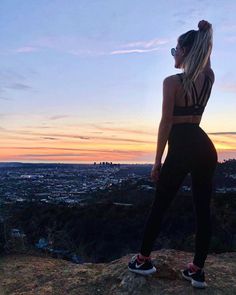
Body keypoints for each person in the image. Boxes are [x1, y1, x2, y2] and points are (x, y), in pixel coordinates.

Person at [128, 20, 218, 289]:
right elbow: (207, 61)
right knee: (203, 210)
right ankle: (197, 270)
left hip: (181, 149)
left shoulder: (172, 82)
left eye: (175, 49)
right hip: (205, 147)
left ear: (185, 51)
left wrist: (157, 161)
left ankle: (143, 260)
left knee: (160, 206)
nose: (173, 53)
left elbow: (165, 123)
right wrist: (207, 34)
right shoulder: (209, 79)